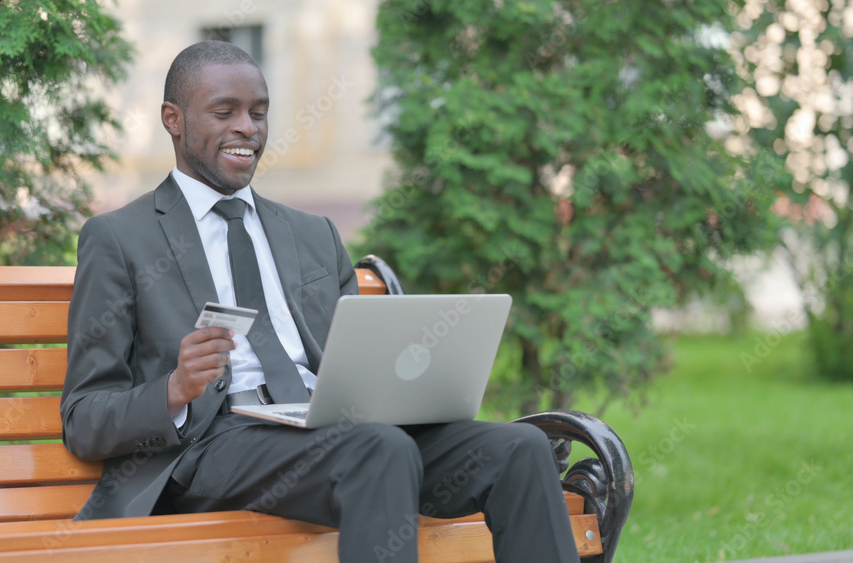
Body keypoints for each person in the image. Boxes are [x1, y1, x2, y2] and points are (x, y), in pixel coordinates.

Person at [60, 40, 580, 562]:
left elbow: (352, 364)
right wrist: (174, 389)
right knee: (379, 449)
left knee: (521, 448)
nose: (248, 127)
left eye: (259, 113)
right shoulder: (121, 238)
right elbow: (84, 417)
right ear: (174, 120)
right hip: (213, 443)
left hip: (332, 434)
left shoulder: (313, 233)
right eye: (225, 112)